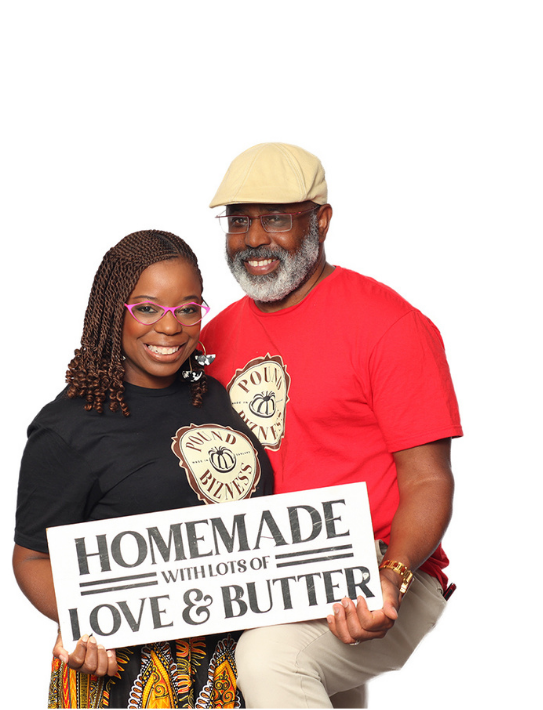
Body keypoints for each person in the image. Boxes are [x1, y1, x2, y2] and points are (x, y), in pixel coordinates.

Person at [198, 142, 460, 708]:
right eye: (239, 221)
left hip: (384, 570)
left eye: (275, 218)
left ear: (320, 220)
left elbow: (428, 481)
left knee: (271, 659)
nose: (253, 239)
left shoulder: (391, 327)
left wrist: (389, 575)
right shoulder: (210, 341)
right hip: (269, 581)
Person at [12, 230, 275, 708]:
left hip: (229, 670)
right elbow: (31, 558)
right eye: (148, 308)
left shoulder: (214, 397)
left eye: (188, 308)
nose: (171, 328)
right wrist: (83, 621)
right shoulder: (69, 427)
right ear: (115, 311)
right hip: (123, 674)